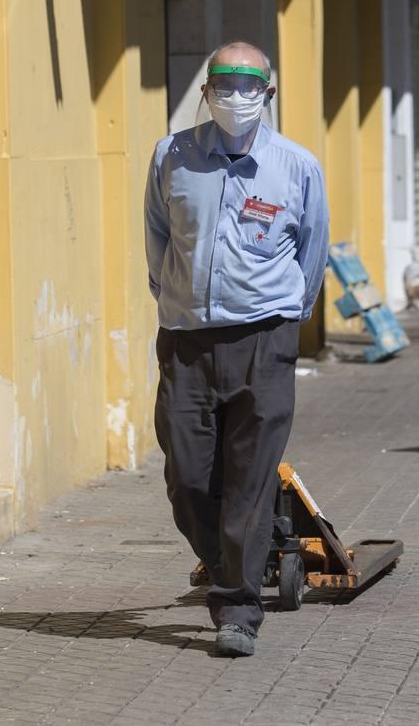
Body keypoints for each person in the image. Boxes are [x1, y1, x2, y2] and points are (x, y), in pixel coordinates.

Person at [144, 41, 330, 658]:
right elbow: (158, 237)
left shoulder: (297, 166)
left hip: (263, 337)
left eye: (249, 84)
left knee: (249, 478)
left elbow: (312, 249)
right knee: (188, 476)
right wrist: (174, 298)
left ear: (268, 94)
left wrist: (285, 317)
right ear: (205, 91)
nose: (236, 94)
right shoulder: (172, 156)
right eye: (224, 83)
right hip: (187, 337)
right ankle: (245, 548)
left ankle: (238, 608)